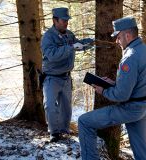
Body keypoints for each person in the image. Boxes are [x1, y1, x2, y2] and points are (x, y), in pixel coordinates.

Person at [78, 17, 146, 160]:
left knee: (84, 121)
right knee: (141, 150)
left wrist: (103, 90)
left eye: (118, 37)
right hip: (144, 107)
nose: (117, 41)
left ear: (127, 35)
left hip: (131, 108)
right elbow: (138, 83)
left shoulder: (130, 57)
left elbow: (121, 95)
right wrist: (114, 83)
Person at [41, 7, 93, 142]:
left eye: (67, 20)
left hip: (65, 77)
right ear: (55, 20)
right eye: (63, 20)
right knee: (50, 105)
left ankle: (64, 130)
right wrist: (70, 47)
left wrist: (88, 43)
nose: (66, 23)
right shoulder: (48, 37)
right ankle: (54, 133)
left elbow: (77, 45)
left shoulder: (69, 34)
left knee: (66, 107)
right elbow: (52, 55)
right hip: (51, 77)